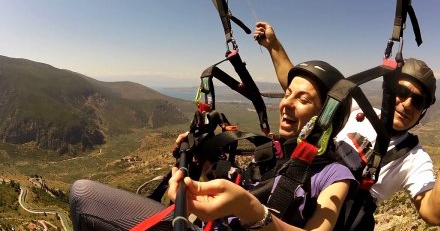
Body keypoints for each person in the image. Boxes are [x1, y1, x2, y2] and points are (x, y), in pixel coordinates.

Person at [69, 60, 355, 230]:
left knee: (84, 195)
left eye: (303, 99)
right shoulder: (275, 152)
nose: (286, 104)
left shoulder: (335, 175)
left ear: (326, 117)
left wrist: (254, 212)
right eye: (287, 93)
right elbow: (233, 189)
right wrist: (196, 167)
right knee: (83, 194)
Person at [254, 21, 440, 228]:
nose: (407, 104)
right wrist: (274, 46)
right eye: (402, 92)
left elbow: (433, 213)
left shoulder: (412, 157)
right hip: (294, 191)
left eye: (418, 100)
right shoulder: (358, 109)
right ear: (389, 91)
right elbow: (306, 95)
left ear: (423, 110)